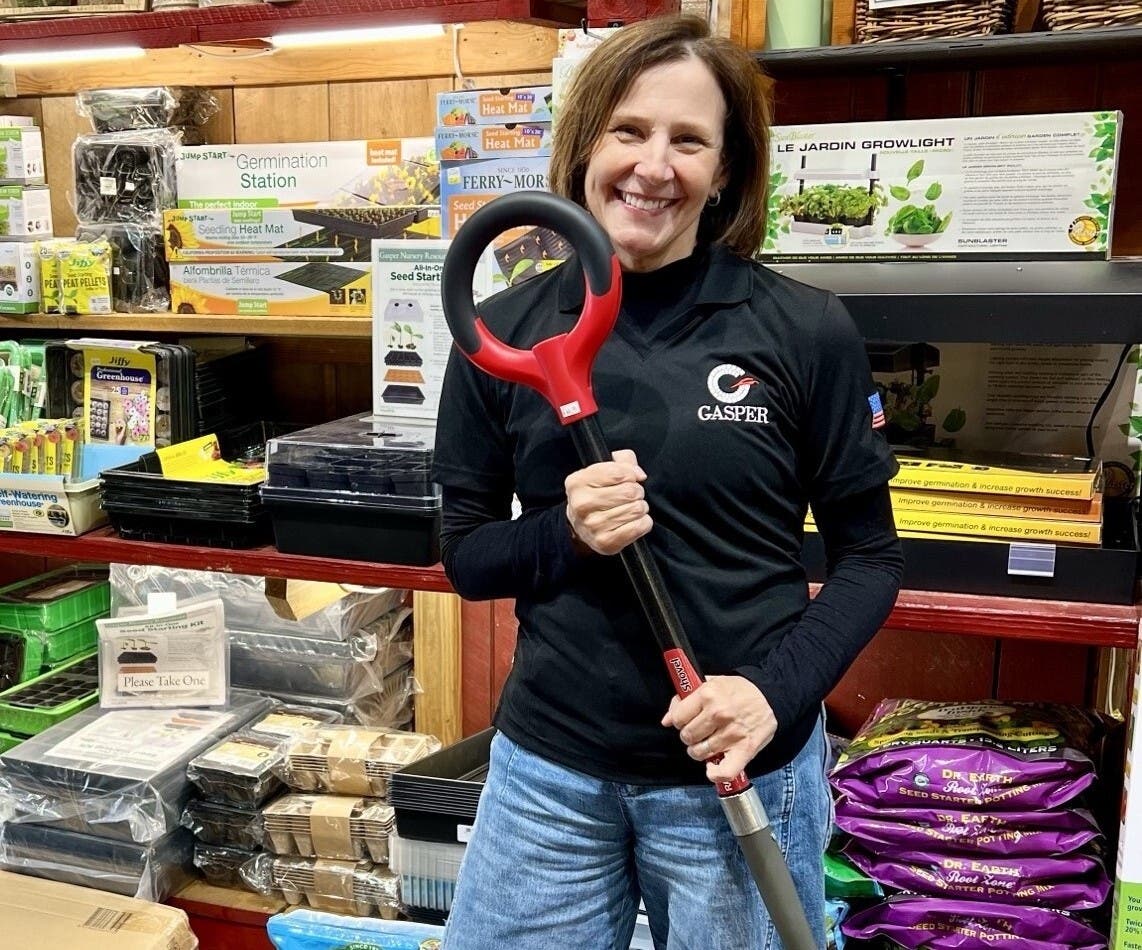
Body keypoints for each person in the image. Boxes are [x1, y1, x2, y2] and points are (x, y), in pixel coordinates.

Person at [432, 14, 903, 949]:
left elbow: (871, 559)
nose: (653, 165)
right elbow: (468, 557)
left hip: (737, 773)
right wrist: (566, 533)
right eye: (629, 130)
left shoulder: (803, 329)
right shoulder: (500, 332)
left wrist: (771, 696)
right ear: (585, 144)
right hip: (549, 778)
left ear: (724, 172)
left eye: (689, 140)